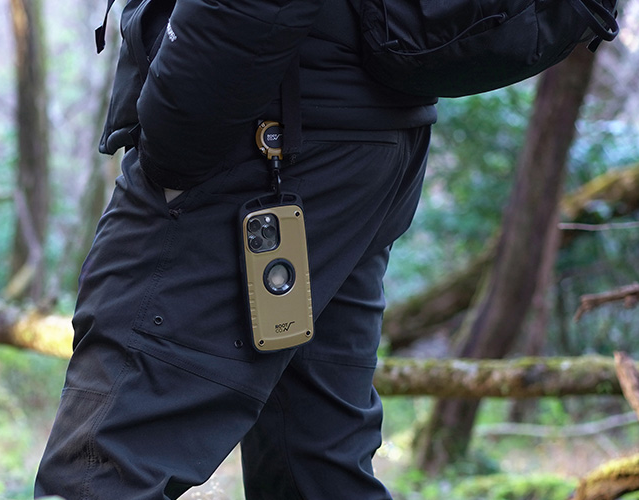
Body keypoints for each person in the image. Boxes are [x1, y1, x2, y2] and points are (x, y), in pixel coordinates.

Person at [33, 0, 437, 497]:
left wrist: (171, 149)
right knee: (314, 464)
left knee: (98, 469)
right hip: (367, 139)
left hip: (262, 143)